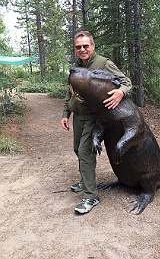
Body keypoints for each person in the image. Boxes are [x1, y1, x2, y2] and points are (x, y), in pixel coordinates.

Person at [61, 31, 132, 214]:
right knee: (78, 149)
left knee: (85, 152)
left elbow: (126, 82)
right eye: (78, 47)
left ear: (92, 46)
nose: (82, 49)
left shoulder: (103, 63)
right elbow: (70, 92)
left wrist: (120, 92)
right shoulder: (77, 66)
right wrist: (65, 113)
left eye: (86, 46)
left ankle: (90, 196)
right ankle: (86, 180)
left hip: (95, 117)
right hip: (78, 117)